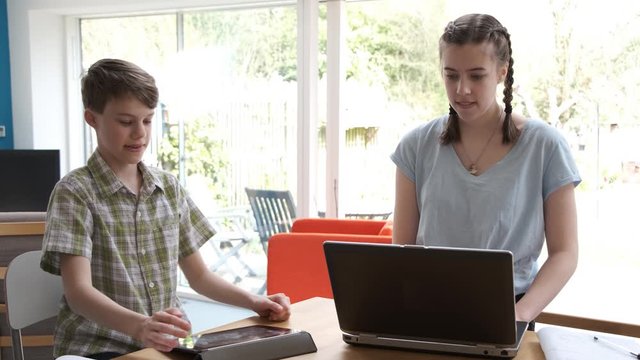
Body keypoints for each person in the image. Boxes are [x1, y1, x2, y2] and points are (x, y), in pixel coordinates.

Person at [41, 58, 291, 359]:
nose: (140, 134)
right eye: (125, 121)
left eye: (147, 120)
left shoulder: (168, 188)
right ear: (92, 118)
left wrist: (254, 301)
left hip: (168, 346)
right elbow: (78, 294)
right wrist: (140, 327)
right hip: (98, 348)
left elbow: (199, 277)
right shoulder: (75, 192)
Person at [391, 14, 580, 326]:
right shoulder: (414, 147)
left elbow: (565, 253)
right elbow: (402, 252)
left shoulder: (546, 146)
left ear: (501, 73)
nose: (462, 90)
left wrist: (520, 314)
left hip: (511, 310)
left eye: (476, 76)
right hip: (427, 310)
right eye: (451, 76)